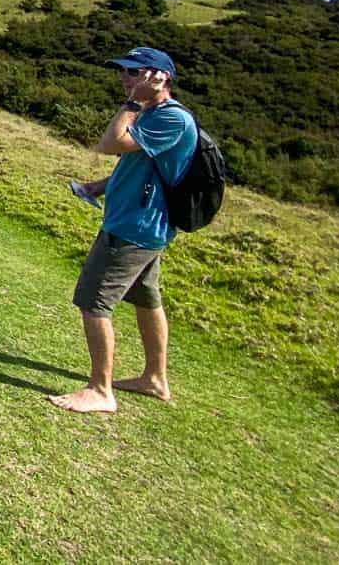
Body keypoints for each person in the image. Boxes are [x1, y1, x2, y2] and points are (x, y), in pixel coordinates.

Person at [48, 46, 197, 414]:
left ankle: (100, 390)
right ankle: (154, 379)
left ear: (160, 77)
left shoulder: (171, 118)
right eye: (124, 72)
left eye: (135, 72)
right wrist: (99, 186)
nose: (125, 78)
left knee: (93, 301)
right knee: (147, 300)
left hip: (135, 228)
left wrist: (130, 104)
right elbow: (138, 165)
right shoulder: (155, 115)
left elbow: (111, 143)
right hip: (142, 224)